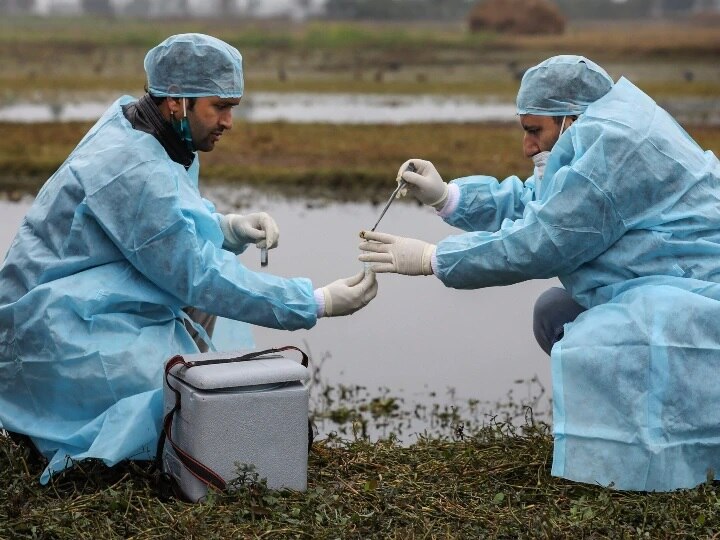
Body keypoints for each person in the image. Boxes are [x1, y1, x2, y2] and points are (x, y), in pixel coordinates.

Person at [0, 33, 377, 483]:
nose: (230, 121)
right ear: (177, 100)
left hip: (87, 293)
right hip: (52, 328)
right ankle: (73, 439)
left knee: (202, 372)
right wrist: (311, 301)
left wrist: (227, 228)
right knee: (168, 400)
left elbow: (163, 224)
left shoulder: (145, 128)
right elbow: (195, 273)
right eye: (219, 106)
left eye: (233, 106)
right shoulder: (132, 165)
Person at [359, 55, 720, 491]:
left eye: (535, 131)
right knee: (554, 312)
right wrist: (449, 197)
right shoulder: (598, 130)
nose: (528, 146)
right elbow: (545, 202)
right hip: (662, 278)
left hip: (697, 294)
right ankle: (636, 438)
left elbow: (543, 239)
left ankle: (674, 453)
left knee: (605, 333)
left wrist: (434, 259)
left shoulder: (615, 146)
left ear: (570, 118)